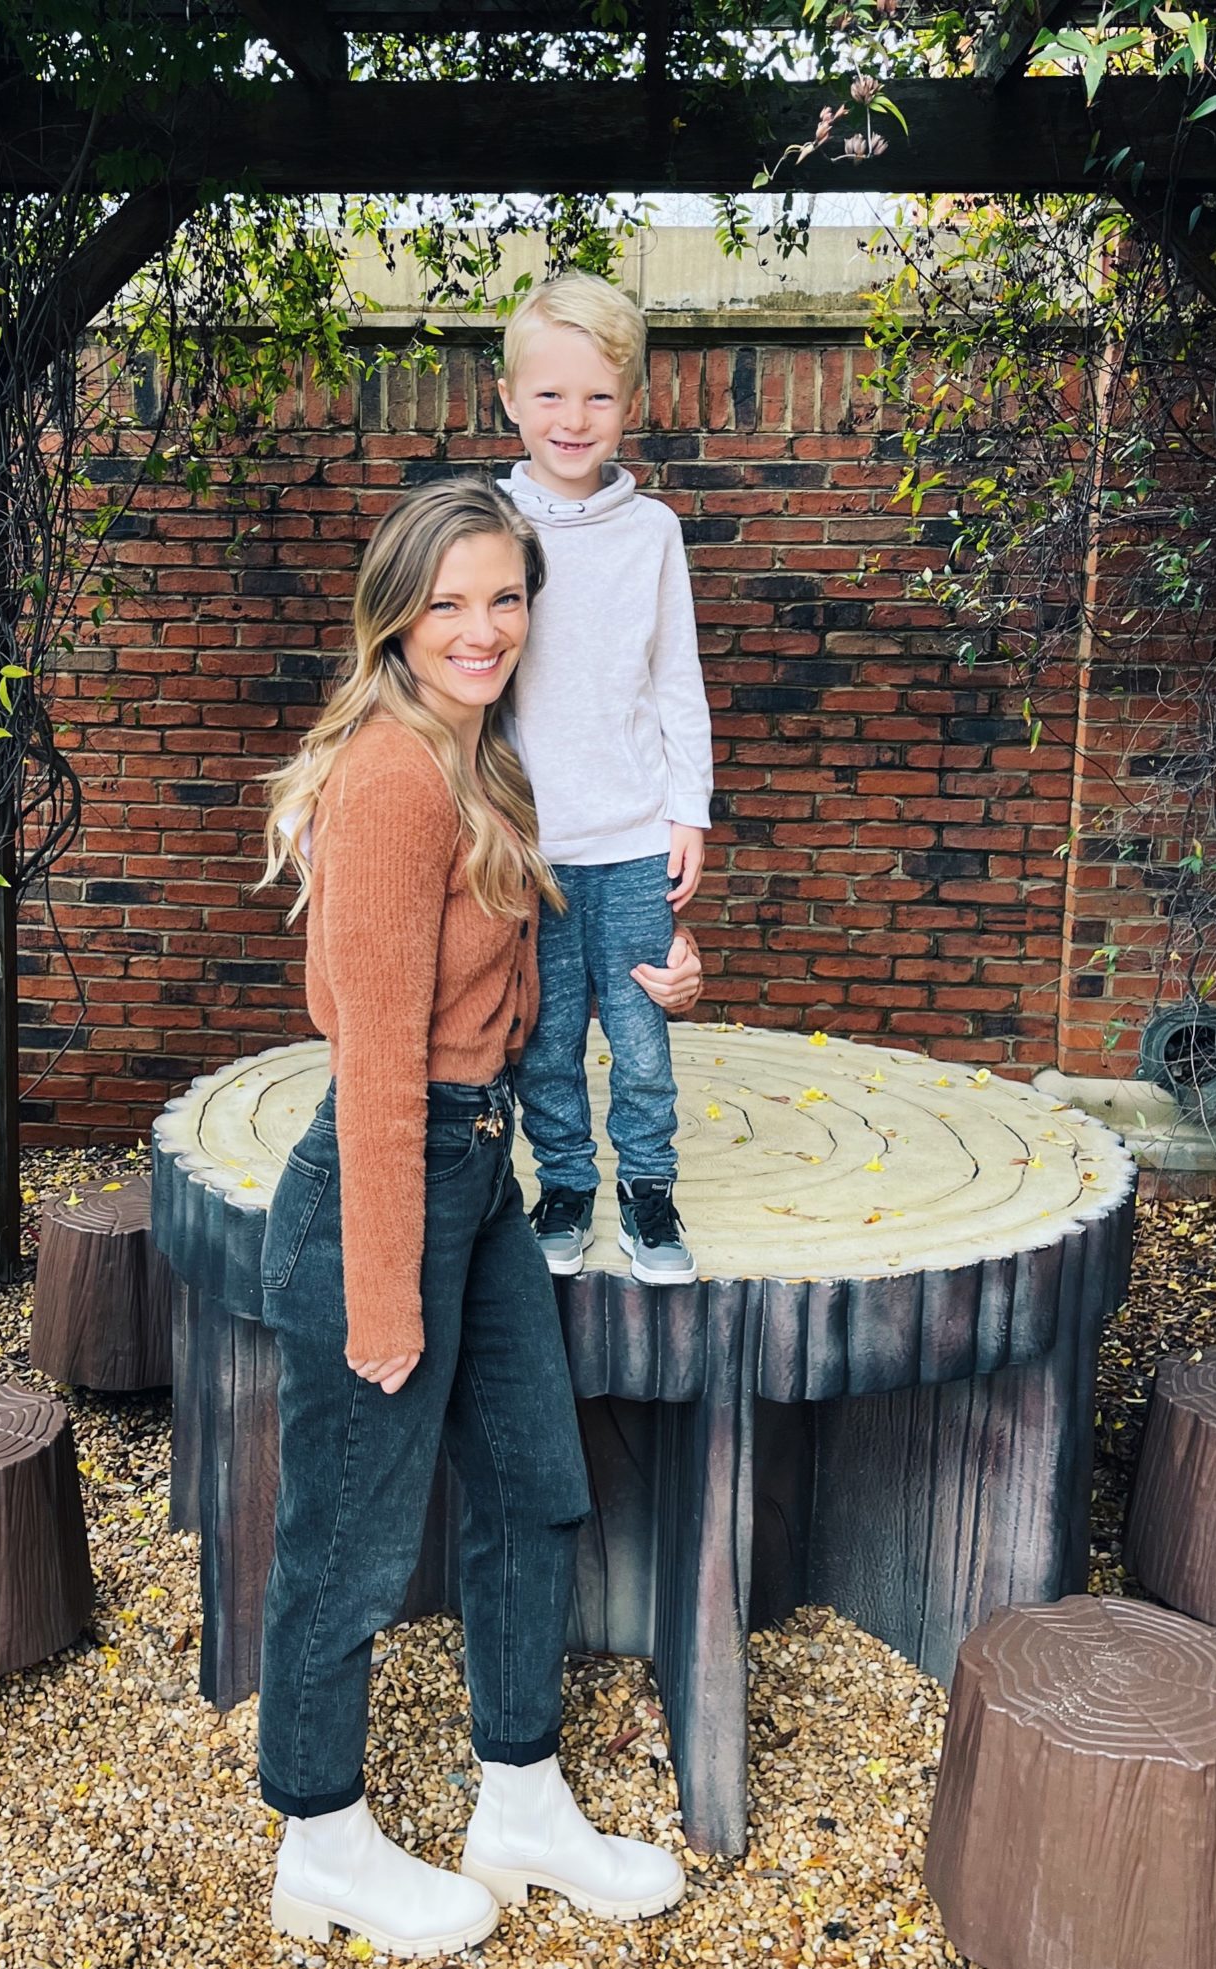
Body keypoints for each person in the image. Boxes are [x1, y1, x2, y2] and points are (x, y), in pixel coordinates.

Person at [254, 478, 701, 1959]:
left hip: (477, 1174)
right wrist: (386, 1292)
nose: (482, 627)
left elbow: (517, 982)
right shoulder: (392, 774)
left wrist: (661, 975)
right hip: (380, 1192)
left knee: (533, 1487)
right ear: (395, 614)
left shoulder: (478, 757)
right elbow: (378, 1059)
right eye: (448, 601)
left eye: (504, 597)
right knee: (348, 1539)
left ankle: (520, 1801)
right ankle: (321, 1841)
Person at [497, 270, 715, 1287]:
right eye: (549, 393)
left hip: (632, 840)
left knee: (640, 1038)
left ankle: (648, 1192)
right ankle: (564, 1188)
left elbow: (676, 679)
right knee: (543, 1042)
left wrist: (687, 811)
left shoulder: (652, 532)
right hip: (525, 844)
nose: (572, 418)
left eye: (596, 396)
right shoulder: (487, 523)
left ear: (630, 403)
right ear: (509, 399)